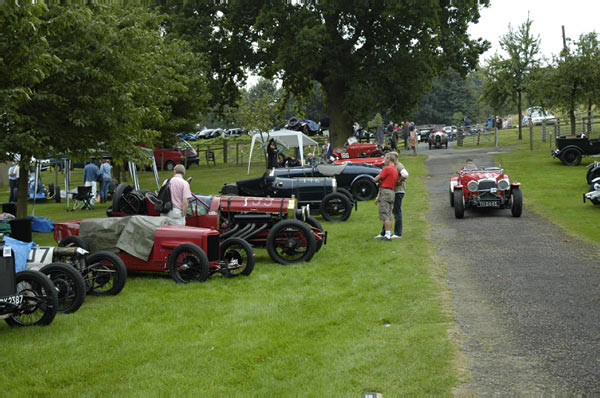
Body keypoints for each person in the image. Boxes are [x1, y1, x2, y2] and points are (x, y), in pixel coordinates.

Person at [377, 151, 408, 239]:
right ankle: (384, 232)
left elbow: (405, 174)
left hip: (398, 191)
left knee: (396, 212)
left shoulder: (399, 166)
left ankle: (397, 233)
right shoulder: (392, 166)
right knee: (388, 212)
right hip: (393, 191)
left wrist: (399, 182)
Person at [373, 153, 398, 241]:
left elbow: (377, 178)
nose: (384, 160)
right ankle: (388, 234)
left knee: (384, 214)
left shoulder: (387, 169)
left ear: (388, 159)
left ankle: (387, 236)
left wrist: (374, 179)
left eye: (385, 158)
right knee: (389, 214)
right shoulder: (395, 169)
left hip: (385, 191)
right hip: (392, 192)